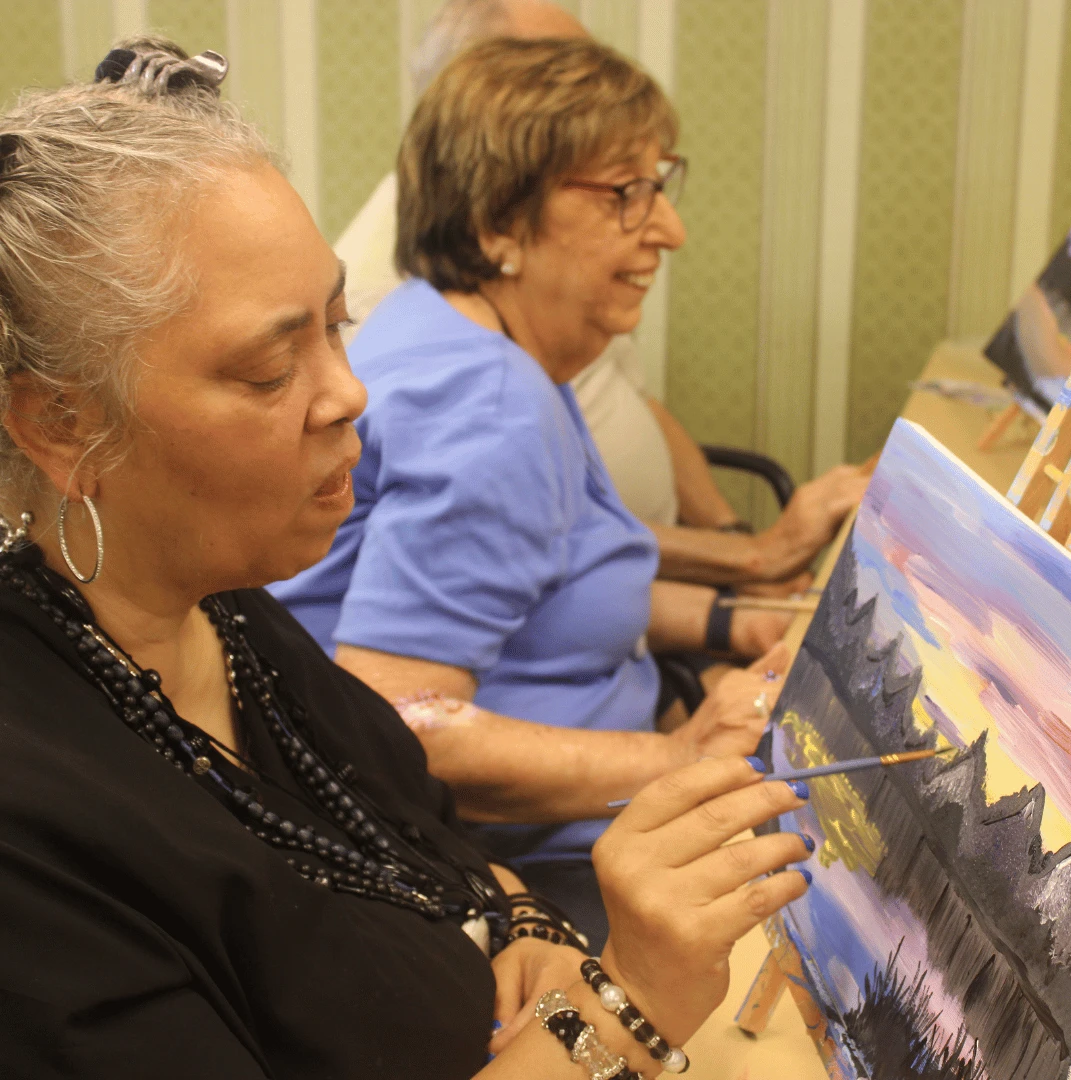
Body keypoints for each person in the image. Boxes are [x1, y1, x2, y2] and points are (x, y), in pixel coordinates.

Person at [0, 39, 814, 1079]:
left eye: (340, 326)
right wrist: (632, 996)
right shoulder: (32, 830)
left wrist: (521, 926)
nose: (351, 395)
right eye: (266, 368)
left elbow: (437, 845)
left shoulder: (223, 610)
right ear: (62, 424)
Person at [271, 37, 799, 949]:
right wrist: (684, 758)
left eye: (660, 184)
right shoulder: (491, 407)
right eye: (622, 193)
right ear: (496, 228)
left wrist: (730, 623)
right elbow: (405, 723)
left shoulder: (452, 330)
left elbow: (547, 586)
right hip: (531, 869)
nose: (668, 228)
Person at [335, 0, 870, 590]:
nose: (673, 231)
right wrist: (753, 562)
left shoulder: (525, 320)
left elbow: (617, 440)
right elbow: (444, 629)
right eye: (624, 188)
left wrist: (735, 560)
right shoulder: (461, 375)